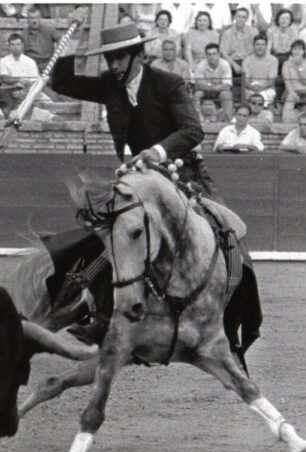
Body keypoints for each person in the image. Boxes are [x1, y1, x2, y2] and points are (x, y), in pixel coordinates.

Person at [50, 14, 262, 353]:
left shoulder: (168, 83)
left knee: (229, 233)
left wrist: (157, 151)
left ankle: (233, 322)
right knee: (111, 230)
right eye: (109, 58)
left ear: (137, 55)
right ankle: (99, 313)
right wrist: (74, 36)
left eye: (120, 57)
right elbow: (60, 82)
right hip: (140, 180)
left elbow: (193, 130)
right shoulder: (110, 85)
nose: (114, 65)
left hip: (184, 173)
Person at [219, 7, 258, 101]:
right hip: (233, 61)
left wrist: (247, 63)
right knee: (225, 67)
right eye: (239, 16)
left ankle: (248, 98)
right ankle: (229, 97)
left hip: (249, 61)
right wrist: (234, 65)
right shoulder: (227, 33)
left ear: (247, 19)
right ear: (234, 17)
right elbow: (223, 52)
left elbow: (256, 50)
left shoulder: (253, 32)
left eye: (243, 17)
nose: (241, 19)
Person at [0, 34, 43, 116]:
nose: (15, 47)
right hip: (9, 90)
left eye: (18, 44)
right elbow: (4, 78)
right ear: (9, 46)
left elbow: (34, 81)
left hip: (26, 89)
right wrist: (19, 79)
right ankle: (9, 113)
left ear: (22, 45)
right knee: (3, 93)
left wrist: (23, 91)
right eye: (13, 44)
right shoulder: (3, 61)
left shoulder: (30, 62)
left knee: (40, 97)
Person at [193, 43, 234, 120]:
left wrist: (209, 86)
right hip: (206, 91)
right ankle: (198, 119)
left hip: (219, 90)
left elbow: (227, 85)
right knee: (197, 94)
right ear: (206, 56)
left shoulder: (225, 64)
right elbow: (199, 84)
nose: (212, 57)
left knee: (226, 94)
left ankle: (228, 119)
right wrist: (214, 88)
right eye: (209, 54)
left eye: (214, 54)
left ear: (219, 54)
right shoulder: (201, 65)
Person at [21, 7, 63, 71]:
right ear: (27, 19)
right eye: (32, 18)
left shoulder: (48, 30)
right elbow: (21, 55)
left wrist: (56, 55)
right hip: (32, 66)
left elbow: (62, 40)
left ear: (40, 18)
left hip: (48, 64)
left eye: (36, 17)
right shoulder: (23, 34)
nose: (34, 21)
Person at [242, 33, 278, 107]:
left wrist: (262, 88)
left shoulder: (273, 60)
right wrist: (253, 88)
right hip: (251, 88)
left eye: (262, 45)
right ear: (253, 46)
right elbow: (245, 80)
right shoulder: (247, 61)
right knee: (252, 97)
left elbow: (272, 81)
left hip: (267, 89)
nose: (260, 47)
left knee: (262, 97)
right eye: (257, 44)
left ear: (266, 46)